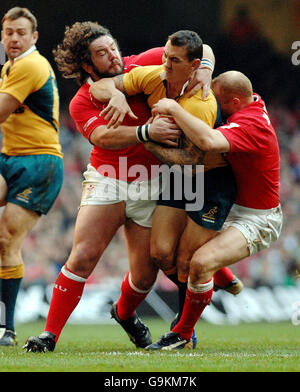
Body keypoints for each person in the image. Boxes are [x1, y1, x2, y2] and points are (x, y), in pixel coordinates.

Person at [23, 22, 215, 353]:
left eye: (112, 46)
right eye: (102, 53)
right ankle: (49, 335)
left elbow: (200, 49)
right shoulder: (81, 101)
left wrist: (207, 71)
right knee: (83, 256)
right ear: (87, 66)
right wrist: (146, 132)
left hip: (152, 182)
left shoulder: (143, 63)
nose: (113, 55)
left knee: (144, 277)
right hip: (108, 179)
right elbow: (102, 137)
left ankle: (125, 314)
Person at [90, 30, 241, 349]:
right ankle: (213, 283)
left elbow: (191, 159)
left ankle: (185, 330)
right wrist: (116, 93)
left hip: (210, 179)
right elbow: (101, 85)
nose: (165, 66)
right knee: (159, 253)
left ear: (194, 65)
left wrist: (149, 141)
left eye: (173, 61)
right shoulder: (153, 76)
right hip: (178, 177)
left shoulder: (200, 105)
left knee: (188, 260)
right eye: (164, 58)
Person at [145, 70, 283, 350]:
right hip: (233, 206)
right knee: (170, 252)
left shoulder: (251, 123)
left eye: (217, 102)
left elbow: (208, 142)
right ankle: (222, 277)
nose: (212, 108)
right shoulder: (250, 102)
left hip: (257, 218)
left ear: (234, 102)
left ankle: (182, 334)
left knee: (198, 263)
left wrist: (171, 108)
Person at [0, 7, 63, 347]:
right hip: (9, 159)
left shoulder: (30, 65)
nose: (14, 38)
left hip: (39, 162)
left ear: (34, 37)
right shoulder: (9, 67)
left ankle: (4, 328)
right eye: (8, 32)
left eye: (21, 32)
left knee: (7, 240)